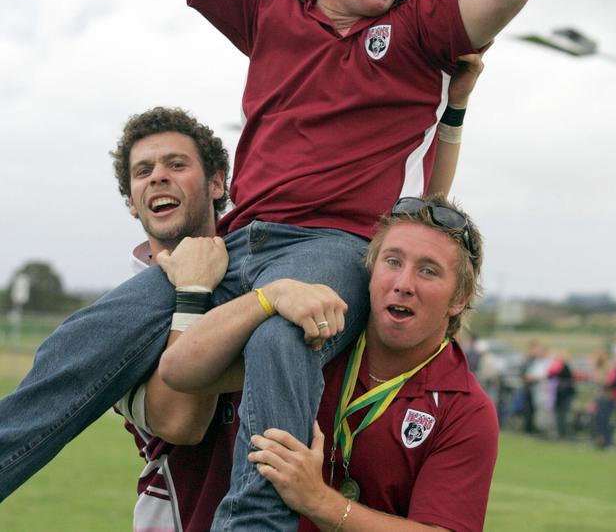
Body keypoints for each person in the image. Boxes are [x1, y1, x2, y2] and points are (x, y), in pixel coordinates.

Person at [0, 0, 528, 532]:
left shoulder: (420, 29)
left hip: (333, 246)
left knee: (288, 334)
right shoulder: (272, 1)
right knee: (80, 341)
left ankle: (254, 523)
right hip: (236, 240)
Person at [117, 61, 484, 532]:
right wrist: (210, 294)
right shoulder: (125, 319)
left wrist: (452, 108)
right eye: (143, 171)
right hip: (174, 517)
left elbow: (422, 230)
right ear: (129, 198)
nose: (159, 179)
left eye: (177, 165)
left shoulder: (287, 282)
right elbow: (182, 415)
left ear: (218, 184)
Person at [130, 194, 497, 532]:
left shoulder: (465, 408)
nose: (403, 283)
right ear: (370, 271)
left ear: (459, 299)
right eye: (393, 261)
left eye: (428, 271)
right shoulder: (316, 339)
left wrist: (319, 501)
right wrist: (269, 296)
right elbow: (180, 370)